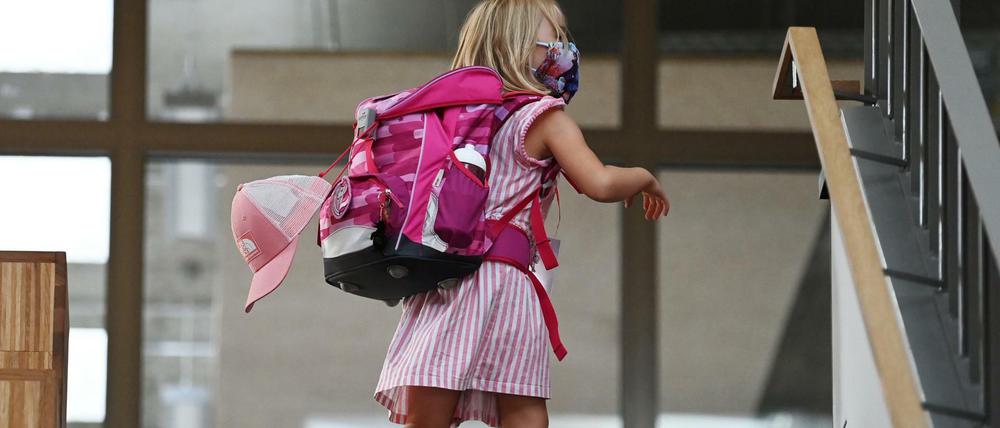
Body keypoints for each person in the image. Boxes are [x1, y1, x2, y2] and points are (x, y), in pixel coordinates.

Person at [374, 1, 669, 427]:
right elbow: (599, 183)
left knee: (429, 408)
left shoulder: (451, 119)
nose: (564, 49)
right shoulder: (544, 117)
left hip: (441, 274)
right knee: (524, 410)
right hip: (506, 282)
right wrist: (643, 176)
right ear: (518, 43)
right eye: (556, 37)